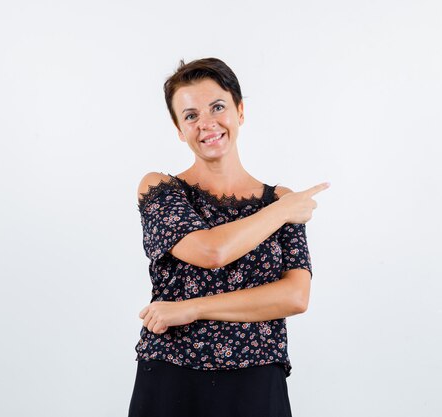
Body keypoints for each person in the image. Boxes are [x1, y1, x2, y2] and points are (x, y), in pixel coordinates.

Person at [128, 57, 330, 417]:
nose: (206, 123)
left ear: (239, 111)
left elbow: (295, 296)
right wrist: (282, 211)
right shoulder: (160, 188)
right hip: (173, 374)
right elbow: (211, 250)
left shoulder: (281, 198)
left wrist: (191, 308)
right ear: (178, 129)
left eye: (217, 107)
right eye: (190, 116)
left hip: (257, 375)